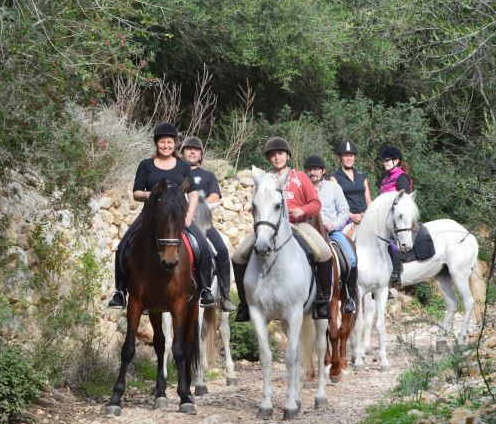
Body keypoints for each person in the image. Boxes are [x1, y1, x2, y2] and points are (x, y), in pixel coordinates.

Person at [108, 122, 216, 309]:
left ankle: (205, 289)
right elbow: (136, 193)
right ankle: (120, 291)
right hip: (150, 216)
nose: (166, 146)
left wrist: (189, 214)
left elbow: (192, 193)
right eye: (162, 142)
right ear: (156, 143)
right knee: (123, 246)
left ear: (175, 144)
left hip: (177, 216)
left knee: (203, 247)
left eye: (169, 142)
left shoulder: (183, 166)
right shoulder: (146, 165)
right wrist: (154, 194)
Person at [231, 137, 334, 321]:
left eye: (280, 153)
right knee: (238, 255)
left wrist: (302, 210)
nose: (277, 157)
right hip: (268, 228)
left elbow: (315, 203)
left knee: (324, 252)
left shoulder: (300, 177)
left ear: (287, 155)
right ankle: (245, 304)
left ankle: (322, 301)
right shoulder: (263, 180)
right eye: (272, 155)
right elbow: (255, 206)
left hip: (298, 224)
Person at [180, 136, 234, 311]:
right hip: (178, 223)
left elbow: (215, 196)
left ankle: (225, 296)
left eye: (196, 149)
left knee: (223, 249)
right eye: (189, 149)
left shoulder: (207, 175)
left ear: (201, 155)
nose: (192, 151)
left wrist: (195, 202)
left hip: (203, 224)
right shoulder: (176, 173)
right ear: (182, 153)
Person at [303, 154, 357, 313]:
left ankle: (349, 297)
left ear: (323, 171)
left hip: (332, 232)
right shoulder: (302, 188)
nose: (312, 172)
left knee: (351, 258)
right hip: (308, 231)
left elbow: (344, 210)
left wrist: (334, 224)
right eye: (309, 169)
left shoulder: (334, 188)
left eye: (316, 169)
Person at [377, 145, 414, 286]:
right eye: (383, 161)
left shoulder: (401, 177)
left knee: (392, 243)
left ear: (396, 160)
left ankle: (395, 274)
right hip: (386, 219)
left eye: (388, 160)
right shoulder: (385, 179)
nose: (385, 163)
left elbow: (404, 203)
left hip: (400, 219)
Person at [331, 141, 371, 236]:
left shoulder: (362, 176)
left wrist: (368, 214)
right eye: (345, 155)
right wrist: (352, 216)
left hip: (365, 217)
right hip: (347, 219)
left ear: (355, 157)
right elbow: (335, 204)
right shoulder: (335, 178)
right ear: (340, 157)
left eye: (351, 155)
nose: (349, 158)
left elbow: (369, 201)